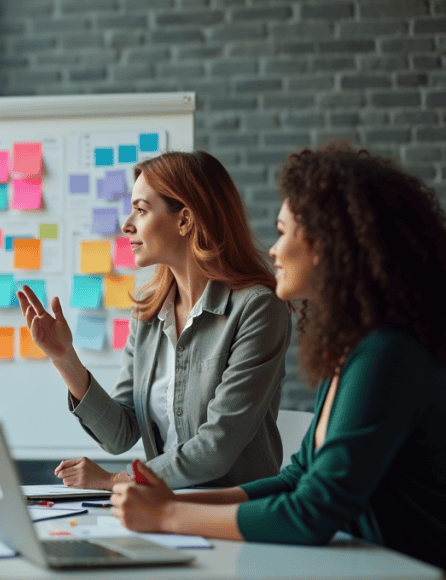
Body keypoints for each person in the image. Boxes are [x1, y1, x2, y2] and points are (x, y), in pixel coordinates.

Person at [110, 143, 446, 570]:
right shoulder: (355, 351)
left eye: (284, 231)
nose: (273, 249)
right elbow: (296, 478)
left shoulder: (386, 357)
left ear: (327, 243)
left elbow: (311, 514)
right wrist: (169, 502)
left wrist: (167, 515)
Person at [18, 150, 291, 491]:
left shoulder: (257, 309)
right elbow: (121, 434)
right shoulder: (147, 314)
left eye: (141, 210)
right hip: (159, 510)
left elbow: (217, 447)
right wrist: (64, 357)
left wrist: (116, 480)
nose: (126, 224)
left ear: (185, 220)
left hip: (230, 515)